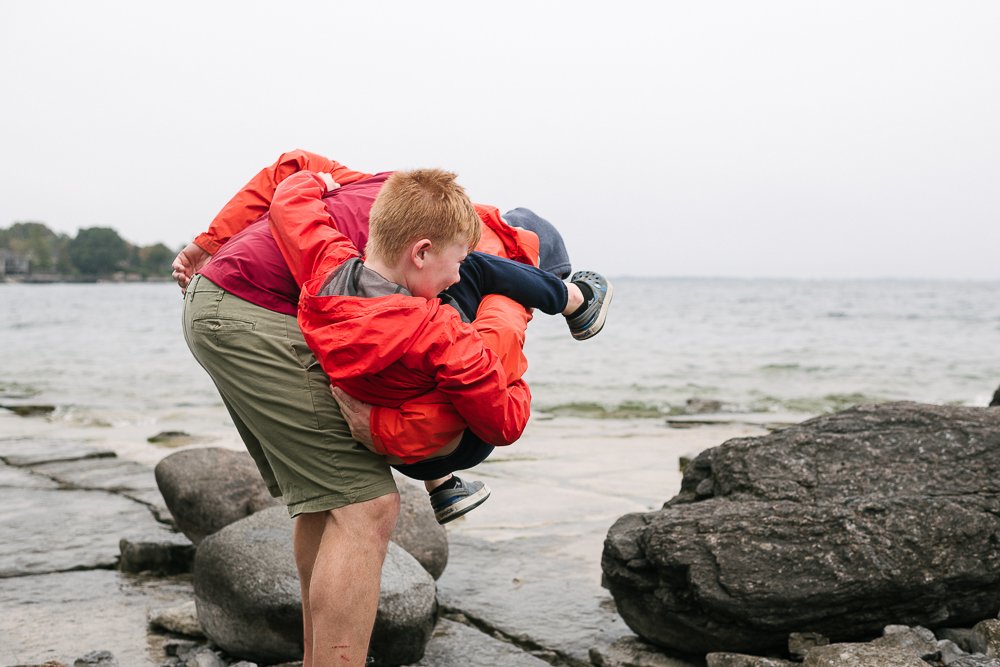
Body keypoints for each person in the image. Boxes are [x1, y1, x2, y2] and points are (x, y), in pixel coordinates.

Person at [173, 150, 607, 667]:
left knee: (325, 504)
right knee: (366, 506)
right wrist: (528, 316)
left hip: (221, 300)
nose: (462, 270)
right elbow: (498, 408)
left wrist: (209, 242)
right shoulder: (445, 304)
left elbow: (291, 174)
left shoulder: (362, 230)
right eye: (461, 259)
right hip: (251, 312)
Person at [267, 168, 612, 523]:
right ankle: (576, 301)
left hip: (398, 448)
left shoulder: (326, 269)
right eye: (456, 263)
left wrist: (317, 182)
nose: (457, 275)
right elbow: (505, 426)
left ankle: (443, 488)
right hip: (456, 448)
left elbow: (289, 205)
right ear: (421, 253)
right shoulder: (441, 334)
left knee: (475, 274)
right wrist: (511, 373)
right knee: (505, 295)